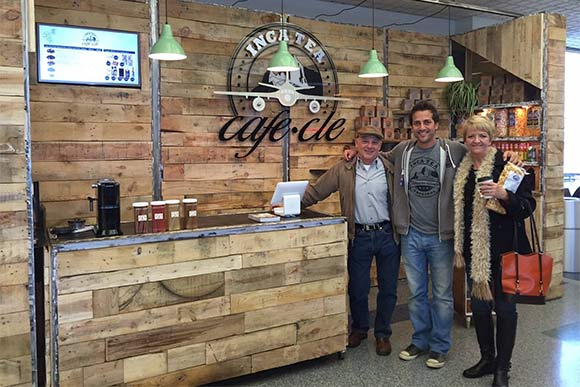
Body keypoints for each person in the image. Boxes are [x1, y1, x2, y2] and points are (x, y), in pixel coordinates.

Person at [344, 101, 520, 369]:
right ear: (412, 126)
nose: (422, 127)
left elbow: (482, 151)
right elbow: (373, 156)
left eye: (427, 122)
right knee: (415, 294)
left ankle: (439, 346)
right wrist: (350, 152)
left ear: (436, 125)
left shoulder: (454, 149)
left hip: (441, 236)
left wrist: (510, 156)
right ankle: (419, 341)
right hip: (411, 235)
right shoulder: (402, 151)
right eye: (417, 123)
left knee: (441, 294)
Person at [301, 126, 400, 356]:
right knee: (357, 287)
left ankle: (383, 333)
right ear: (356, 143)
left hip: (387, 235)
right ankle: (360, 328)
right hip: (360, 235)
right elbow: (316, 192)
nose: (369, 146)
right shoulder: (342, 169)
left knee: (388, 288)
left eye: (374, 142)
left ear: (380, 146)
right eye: (364, 141)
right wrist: (288, 205)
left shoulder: (390, 167)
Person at [453, 115, 535, 387]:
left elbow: (526, 207)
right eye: (471, 136)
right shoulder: (462, 170)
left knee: (506, 310)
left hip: (505, 253)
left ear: (491, 139)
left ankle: (502, 368)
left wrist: (504, 194)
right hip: (476, 253)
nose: (476, 141)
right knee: (478, 308)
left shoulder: (509, 165)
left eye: (482, 136)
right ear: (464, 140)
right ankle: (487, 359)